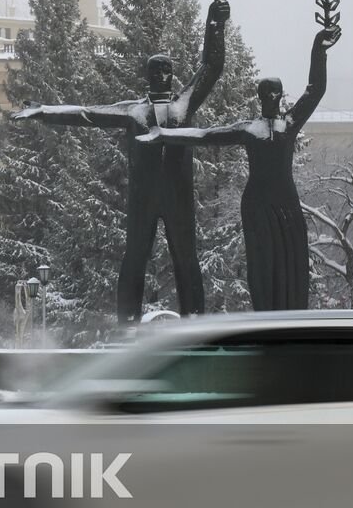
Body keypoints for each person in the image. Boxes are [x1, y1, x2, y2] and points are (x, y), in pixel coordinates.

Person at [12, 0, 229, 321]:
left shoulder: (183, 105)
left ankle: (195, 324)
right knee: (135, 259)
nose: (164, 76)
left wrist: (216, 23)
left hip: (178, 195)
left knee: (186, 259)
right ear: (149, 76)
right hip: (143, 197)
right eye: (158, 71)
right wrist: (44, 111)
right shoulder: (134, 110)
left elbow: (212, 67)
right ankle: (128, 326)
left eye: (168, 70)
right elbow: (86, 113)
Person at [138, 27, 341, 311]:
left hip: (286, 204)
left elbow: (315, 89)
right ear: (261, 97)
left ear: (281, 95)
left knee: (291, 262)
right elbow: (205, 135)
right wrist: (164, 135)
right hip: (257, 205)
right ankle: (266, 321)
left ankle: (291, 319)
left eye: (276, 93)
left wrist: (318, 50)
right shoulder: (250, 130)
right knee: (262, 264)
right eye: (268, 93)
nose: (273, 97)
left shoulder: (289, 125)